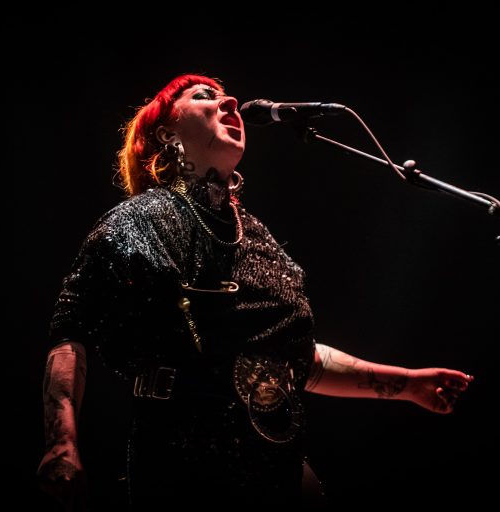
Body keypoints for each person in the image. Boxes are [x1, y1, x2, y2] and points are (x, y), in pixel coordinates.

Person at [36, 74, 474, 508]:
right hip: (185, 464)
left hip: (278, 463)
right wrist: (62, 442)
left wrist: (409, 384)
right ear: (167, 133)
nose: (230, 104)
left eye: (230, 97)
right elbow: (71, 330)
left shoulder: (258, 239)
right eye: (206, 97)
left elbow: (298, 359)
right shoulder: (139, 220)